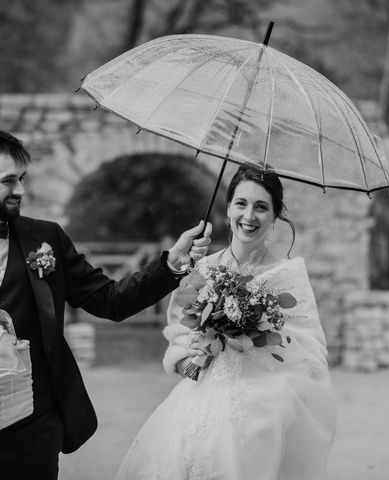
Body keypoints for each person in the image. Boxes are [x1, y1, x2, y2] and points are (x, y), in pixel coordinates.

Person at [0, 126, 212, 480]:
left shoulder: (46, 237)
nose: (20, 190)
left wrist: (171, 264)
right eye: (9, 180)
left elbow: (109, 300)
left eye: (22, 178)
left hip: (35, 430)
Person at [116, 163, 336, 480]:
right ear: (228, 207)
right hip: (202, 395)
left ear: (275, 216)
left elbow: (310, 349)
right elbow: (179, 328)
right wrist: (187, 358)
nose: (249, 216)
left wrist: (258, 351)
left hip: (263, 408)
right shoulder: (204, 268)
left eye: (262, 207)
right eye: (241, 204)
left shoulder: (289, 276)